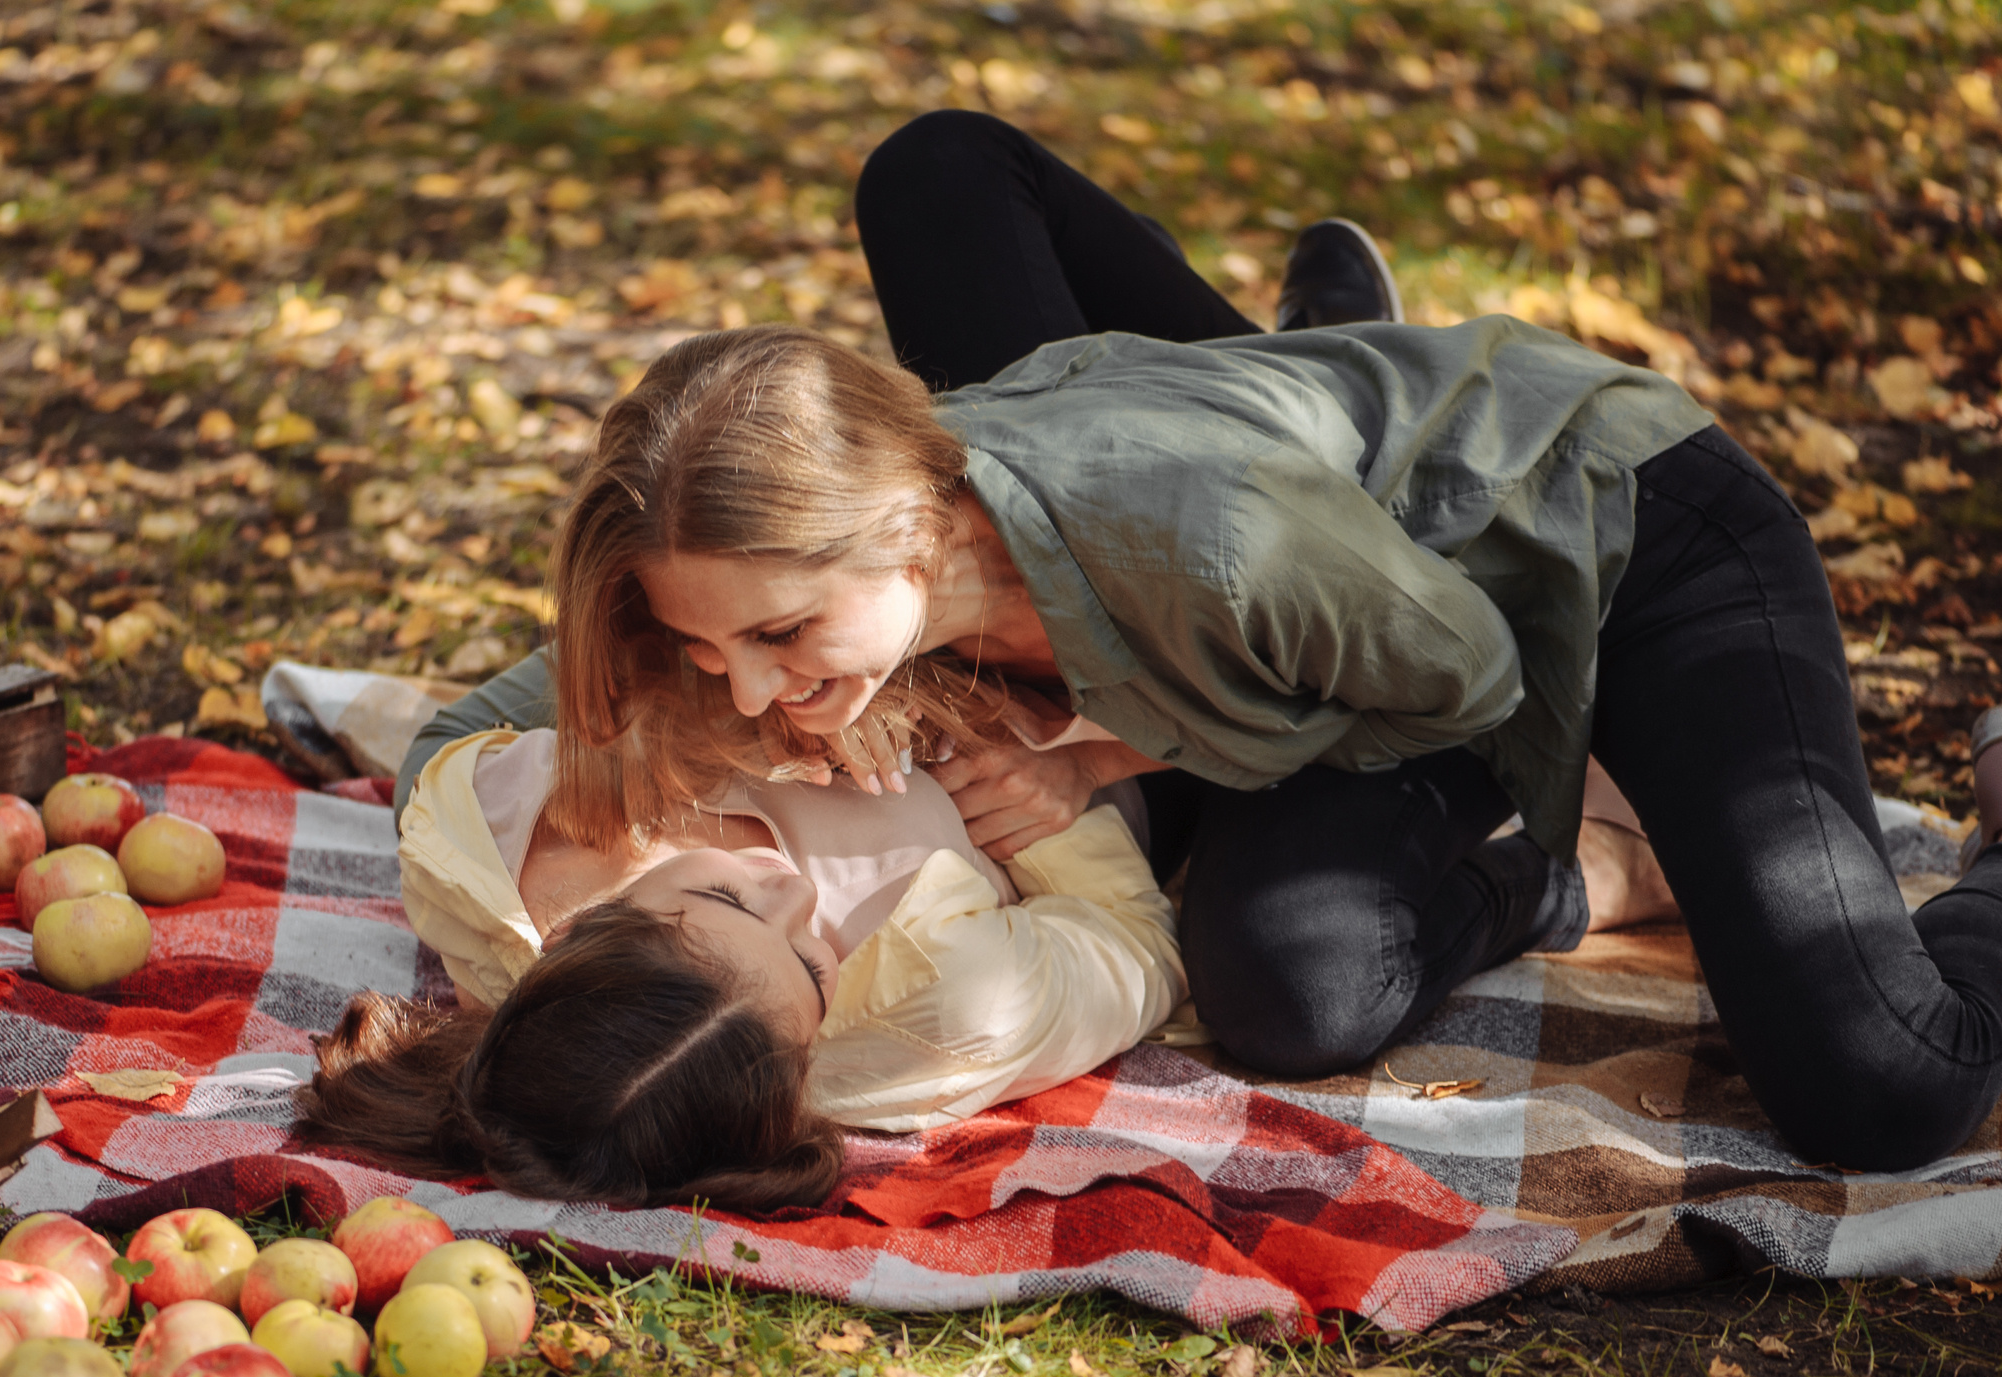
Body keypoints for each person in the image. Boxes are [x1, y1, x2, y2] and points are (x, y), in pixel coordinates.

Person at [432, 108, 2002, 1174]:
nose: (759, 692)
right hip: (1312, 580)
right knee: (1290, 988)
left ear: (905, 524)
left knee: (1878, 1088)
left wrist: (1117, 743)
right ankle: (1325, 358)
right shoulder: (818, 587)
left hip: (1595, 559)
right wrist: (602, 831)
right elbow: (473, 736)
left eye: (779, 634)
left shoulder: (1193, 539)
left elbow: (1475, 676)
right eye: (718, 655)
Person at [308, 691, 1189, 1212]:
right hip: (1072, 720)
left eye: (723, 895)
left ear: (573, 928)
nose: (797, 894)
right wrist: (1013, 756)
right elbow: (1140, 941)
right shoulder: (939, 1005)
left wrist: (722, 692)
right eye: (811, 968)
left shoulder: (485, 849)